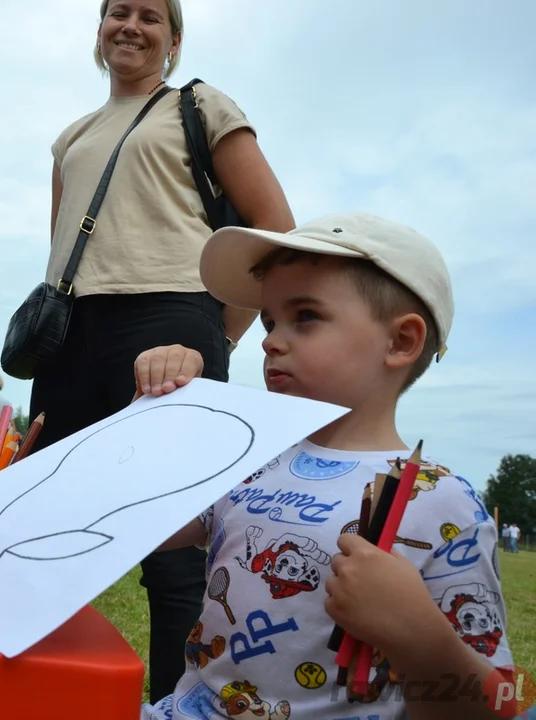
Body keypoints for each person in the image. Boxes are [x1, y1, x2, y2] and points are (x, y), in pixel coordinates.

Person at [137, 212, 514, 720]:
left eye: (306, 316)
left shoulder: (442, 501)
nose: (270, 339)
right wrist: (161, 410)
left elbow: (509, 702)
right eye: (269, 321)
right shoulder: (246, 462)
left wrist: (419, 639)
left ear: (401, 341)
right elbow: (142, 523)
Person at [28, 0, 295, 701]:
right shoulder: (72, 136)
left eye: (151, 16)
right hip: (71, 329)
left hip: (173, 316)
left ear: (173, 40)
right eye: (119, 12)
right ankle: (27, 693)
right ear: (99, 29)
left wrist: (218, 335)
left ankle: (184, 708)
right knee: (42, 517)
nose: (131, 26)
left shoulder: (199, 105)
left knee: (173, 546)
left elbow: (273, 229)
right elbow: (63, 247)